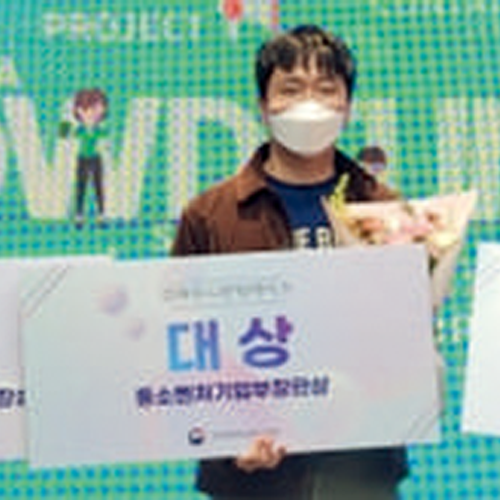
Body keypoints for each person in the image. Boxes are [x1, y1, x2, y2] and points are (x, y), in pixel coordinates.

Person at [172, 24, 407, 500]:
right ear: (263, 106)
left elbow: (407, 341)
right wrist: (226, 436)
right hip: (250, 474)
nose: (309, 104)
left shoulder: (386, 211)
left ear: (347, 107)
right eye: (291, 89)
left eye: (326, 89)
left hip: (359, 466)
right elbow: (183, 342)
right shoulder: (211, 214)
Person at [60, 88, 108, 227]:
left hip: (96, 159)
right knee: (81, 186)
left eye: (96, 110)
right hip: (82, 159)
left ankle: (101, 215)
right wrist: (66, 118)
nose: (91, 115)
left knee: (98, 186)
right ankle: (79, 215)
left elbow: (105, 140)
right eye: (85, 110)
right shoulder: (80, 130)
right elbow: (63, 134)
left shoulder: (99, 130)